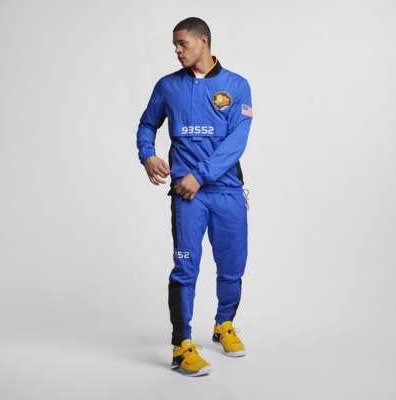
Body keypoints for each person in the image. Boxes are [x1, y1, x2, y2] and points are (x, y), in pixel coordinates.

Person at [136, 17, 253, 377]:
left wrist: (200, 175)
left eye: (182, 43)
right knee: (186, 266)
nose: (176, 50)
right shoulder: (167, 86)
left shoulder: (237, 86)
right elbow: (146, 124)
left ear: (203, 41)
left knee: (232, 265)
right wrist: (147, 154)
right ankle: (180, 346)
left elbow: (237, 141)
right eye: (174, 44)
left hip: (226, 191)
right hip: (188, 197)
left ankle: (224, 324)